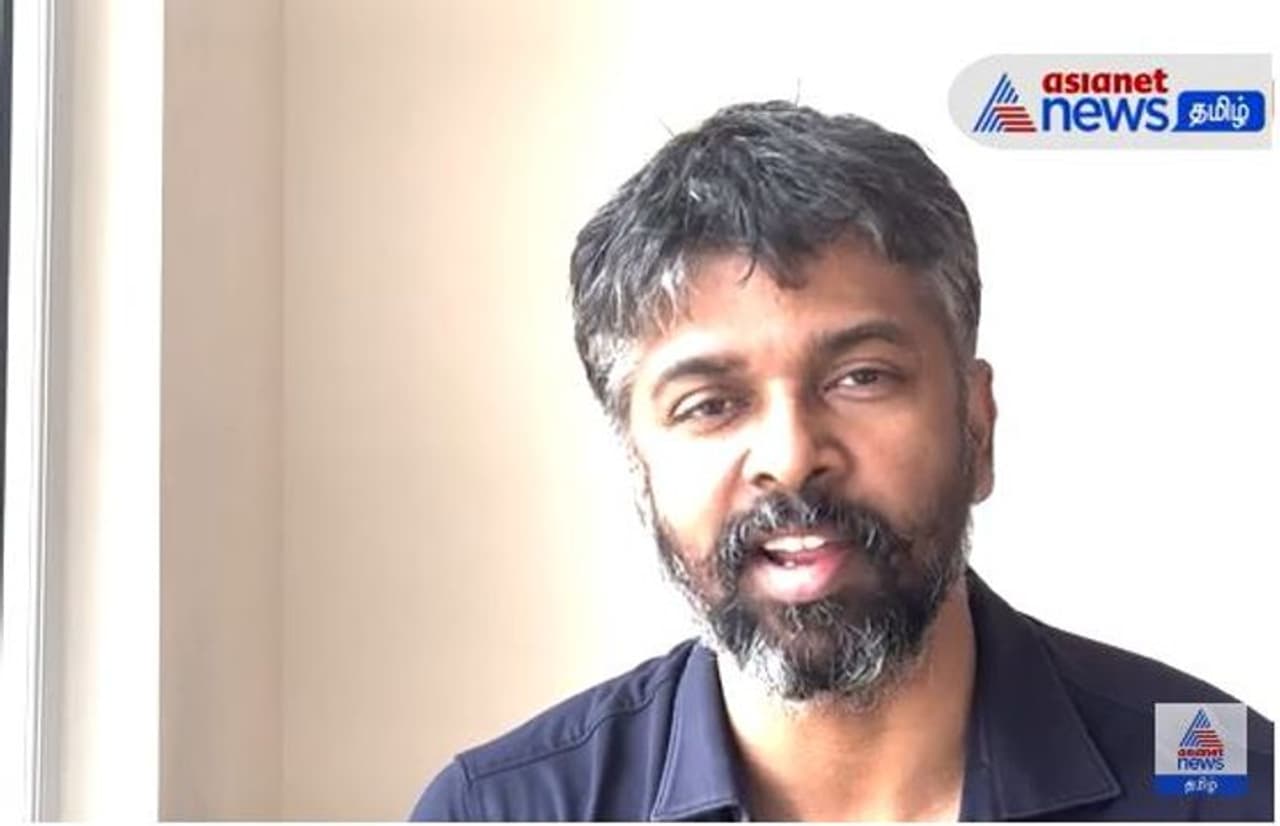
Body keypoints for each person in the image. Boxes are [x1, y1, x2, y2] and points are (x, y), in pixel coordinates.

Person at [410, 101, 1273, 821]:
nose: (791, 459)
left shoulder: (1229, 780)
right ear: (640, 468)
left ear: (976, 425)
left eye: (862, 378)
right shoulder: (500, 810)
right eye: (710, 403)